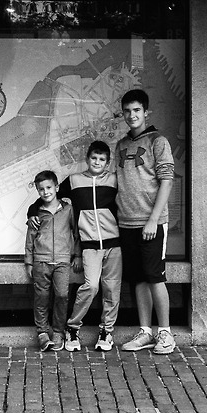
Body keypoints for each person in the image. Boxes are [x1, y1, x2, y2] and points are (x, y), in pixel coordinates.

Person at [113, 89, 176, 355]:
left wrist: (153, 220)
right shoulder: (120, 145)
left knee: (155, 277)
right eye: (127, 111)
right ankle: (145, 332)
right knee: (137, 279)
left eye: (137, 110)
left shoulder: (158, 141)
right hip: (126, 222)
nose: (131, 115)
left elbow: (167, 181)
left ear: (146, 112)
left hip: (151, 223)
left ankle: (166, 334)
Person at [60, 140, 122, 352]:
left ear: (107, 162)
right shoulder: (75, 180)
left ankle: (107, 332)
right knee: (92, 286)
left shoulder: (114, 179)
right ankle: (72, 327)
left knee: (111, 289)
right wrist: (33, 212)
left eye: (102, 159)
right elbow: (51, 198)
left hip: (115, 244)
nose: (97, 162)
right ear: (87, 159)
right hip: (89, 246)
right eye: (94, 158)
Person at [24, 170, 79, 352]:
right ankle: (42, 333)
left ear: (56, 188)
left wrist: (77, 255)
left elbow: (76, 234)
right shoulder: (37, 213)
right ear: (38, 191)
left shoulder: (68, 210)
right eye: (41, 189)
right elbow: (30, 238)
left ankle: (57, 331)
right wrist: (29, 262)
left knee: (62, 296)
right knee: (42, 297)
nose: (46, 192)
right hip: (41, 261)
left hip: (63, 262)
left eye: (49, 187)